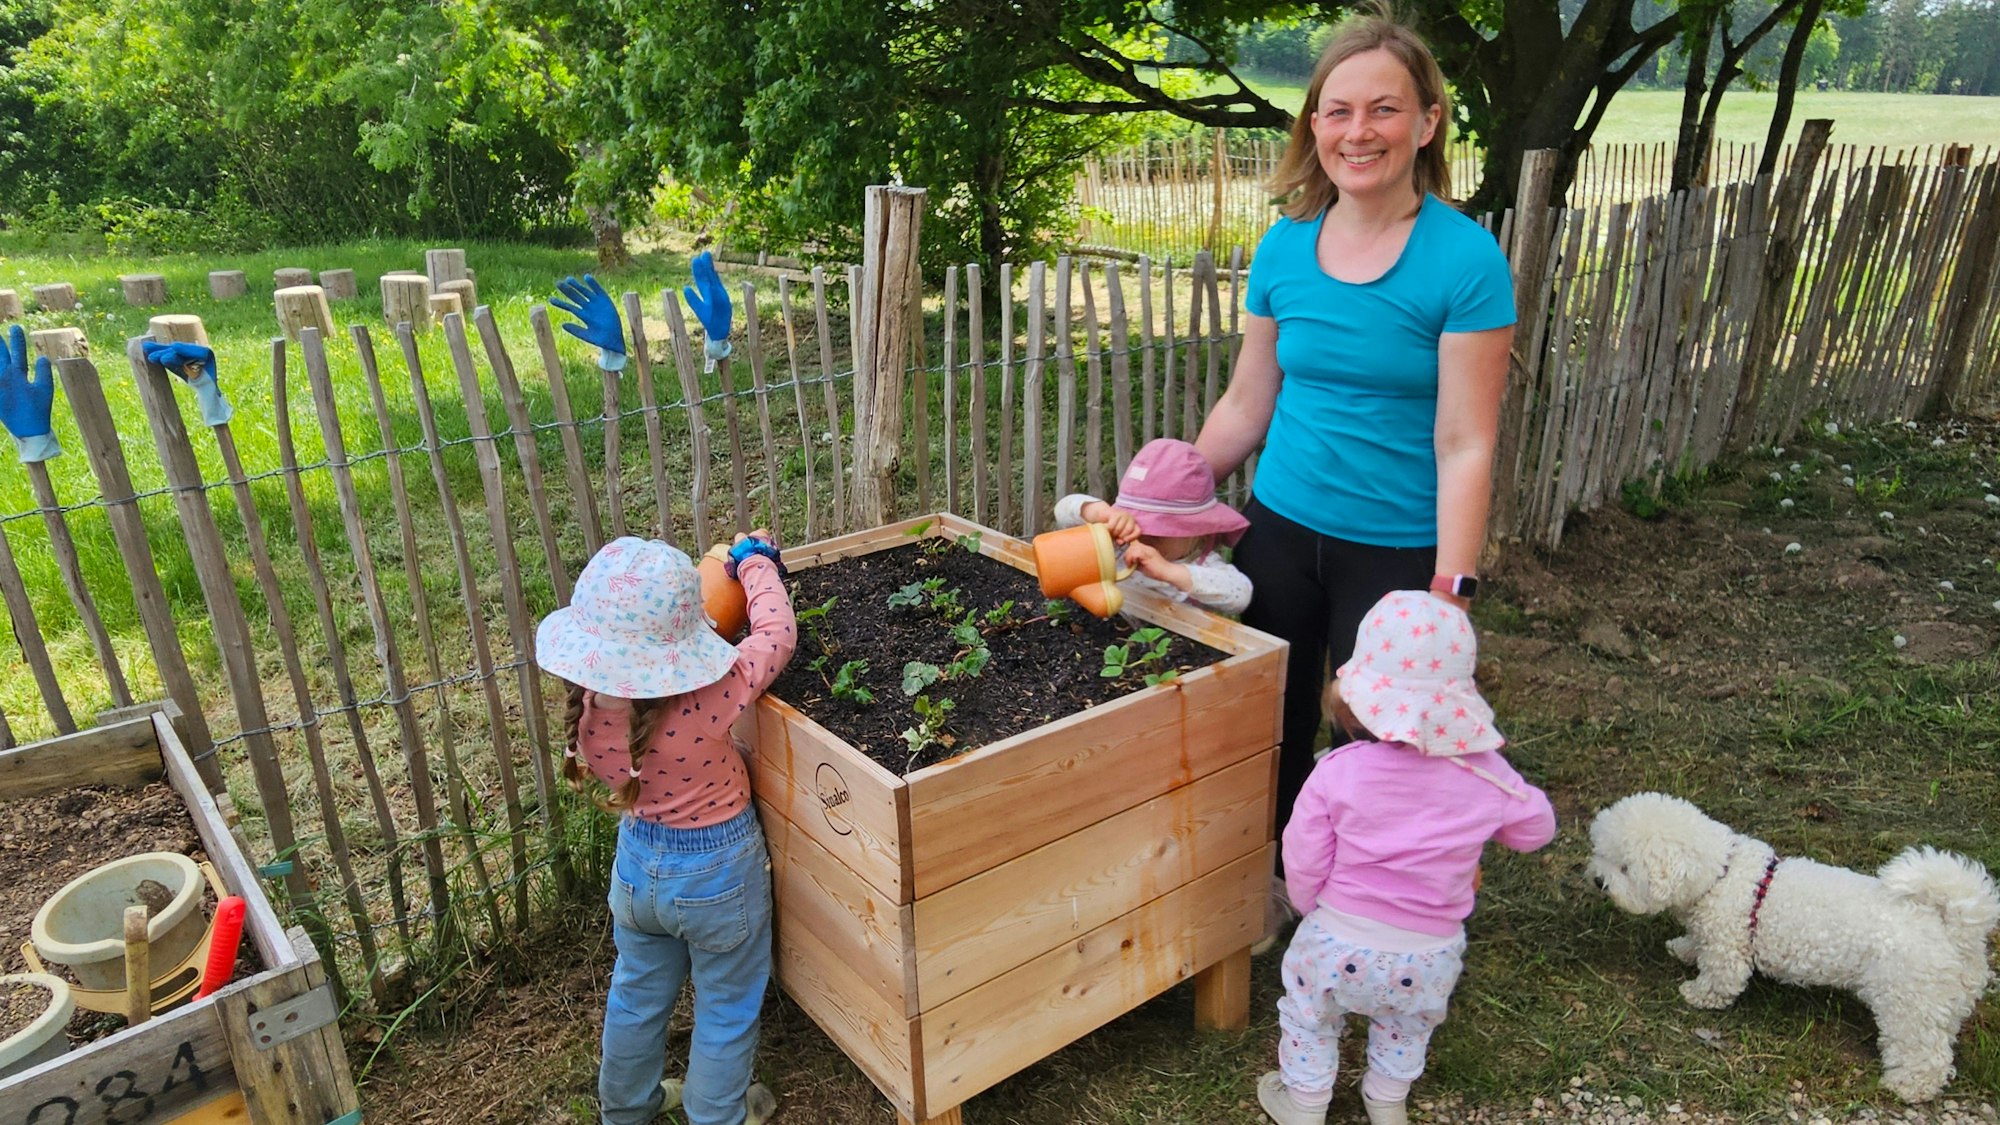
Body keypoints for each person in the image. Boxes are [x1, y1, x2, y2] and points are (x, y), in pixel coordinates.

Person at [1192, 6, 1517, 861]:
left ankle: (1374, 905)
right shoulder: (1284, 247)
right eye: (1337, 110)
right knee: (1270, 725)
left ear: (1427, 123)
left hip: (1398, 553)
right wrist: (1172, 492)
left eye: (1384, 108)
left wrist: (1450, 593)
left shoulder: (1465, 261)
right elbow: (1245, 403)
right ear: (1314, 125)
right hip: (1280, 533)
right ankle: (1271, 880)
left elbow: (1466, 442)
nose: (1358, 130)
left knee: (1379, 743)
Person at [1257, 590, 1555, 1125]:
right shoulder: (1483, 773)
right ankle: (1387, 1100)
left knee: (1309, 1017)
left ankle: (1303, 1105)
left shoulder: (1338, 770)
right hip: (1430, 952)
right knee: (1406, 1025)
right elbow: (1537, 829)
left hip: (1336, 939)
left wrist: (1308, 906)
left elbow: (1301, 853)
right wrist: (1492, 781)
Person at [535, 532, 796, 1125]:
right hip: (718, 872)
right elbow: (776, 636)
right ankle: (716, 1113)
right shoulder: (712, 696)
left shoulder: (590, 713)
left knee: (636, 995)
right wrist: (754, 564)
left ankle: (626, 1110)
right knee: (726, 1003)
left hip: (638, 871)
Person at [1053, 437, 1253, 616]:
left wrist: (1168, 571)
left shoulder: (1203, 565)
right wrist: (1100, 513)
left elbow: (1241, 594)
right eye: (1136, 525)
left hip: (1169, 648)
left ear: (1196, 531)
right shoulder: (1118, 544)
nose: (1142, 537)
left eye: (1157, 534)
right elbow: (1063, 511)